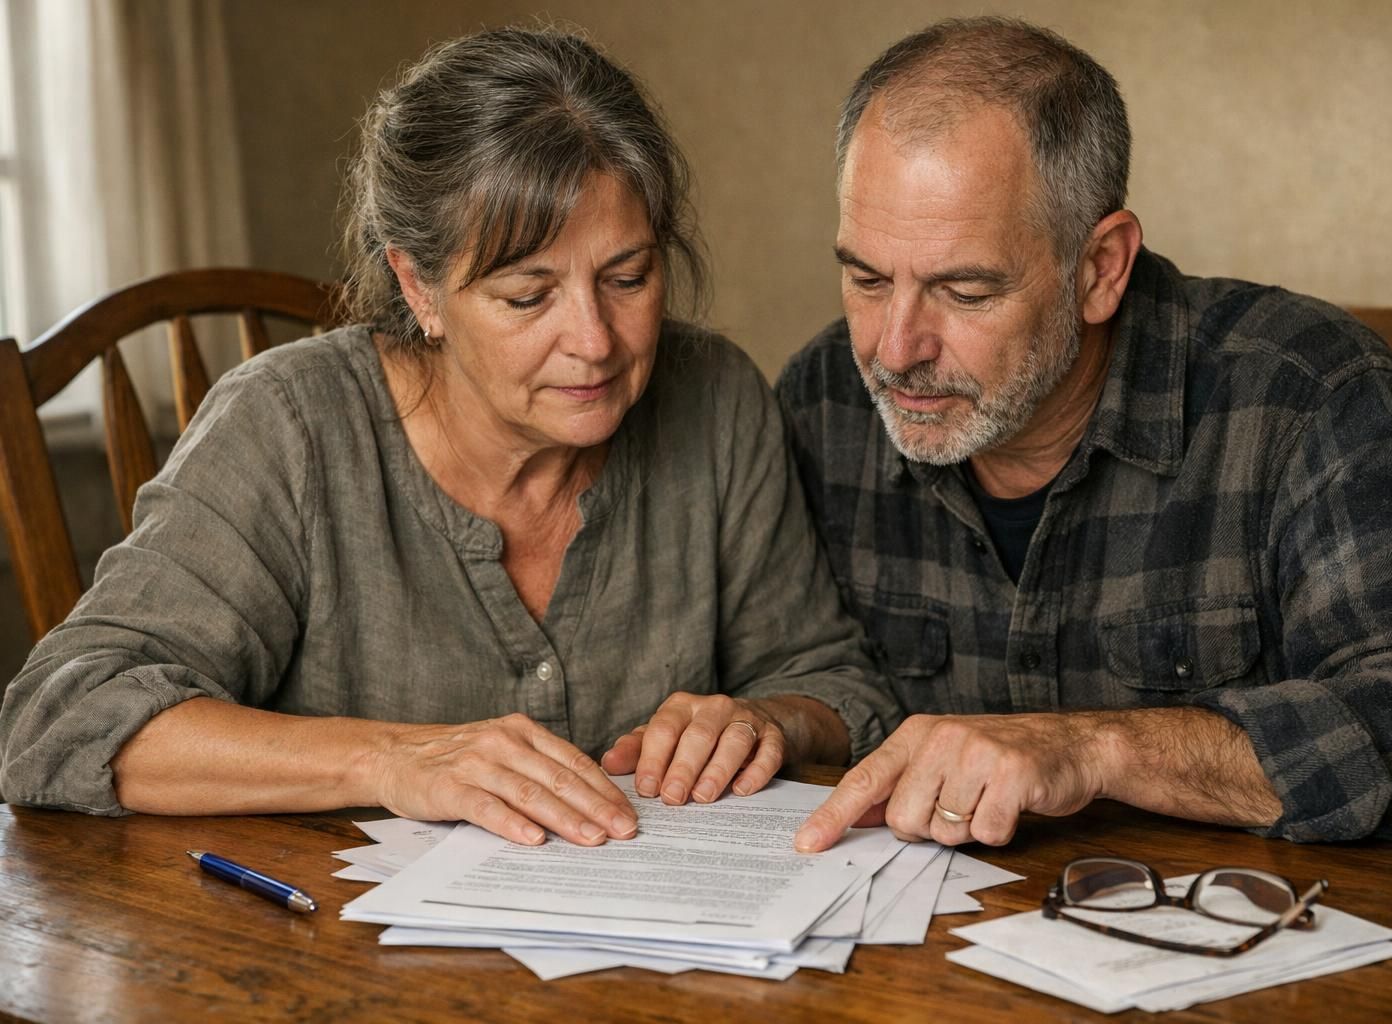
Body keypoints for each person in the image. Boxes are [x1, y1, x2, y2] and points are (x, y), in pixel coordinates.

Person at [0, 27, 900, 848]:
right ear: (419, 288)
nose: (595, 340)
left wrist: (770, 720)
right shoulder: (292, 426)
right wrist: (393, 760)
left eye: (627, 278)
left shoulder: (716, 400)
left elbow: (836, 682)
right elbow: (64, 716)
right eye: (527, 296)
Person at [783, 17, 1392, 859]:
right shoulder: (823, 401)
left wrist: (1101, 747)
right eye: (866, 278)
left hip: (1277, 945)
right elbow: (821, 679)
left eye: (964, 290)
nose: (894, 351)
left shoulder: (1305, 393)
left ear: (1101, 268)